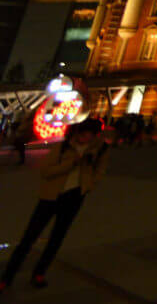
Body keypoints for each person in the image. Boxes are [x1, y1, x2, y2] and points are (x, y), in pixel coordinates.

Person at [0, 118, 109, 291]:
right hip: (50, 196)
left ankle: (39, 273)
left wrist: (89, 185)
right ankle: (7, 277)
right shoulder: (63, 147)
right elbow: (46, 170)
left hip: (74, 197)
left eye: (87, 134)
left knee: (57, 239)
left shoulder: (100, 150)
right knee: (29, 237)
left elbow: (100, 170)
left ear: (94, 135)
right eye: (80, 133)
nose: (82, 137)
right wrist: (70, 164)